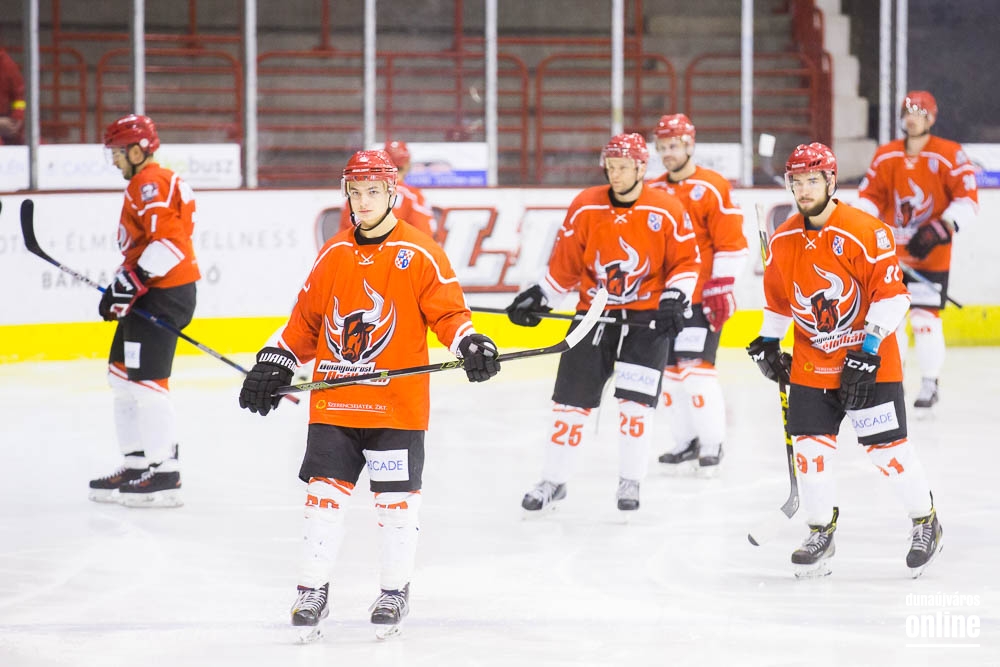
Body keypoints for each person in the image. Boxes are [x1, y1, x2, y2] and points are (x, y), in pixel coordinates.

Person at [239, 149, 500, 640]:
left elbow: (449, 314)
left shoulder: (420, 251)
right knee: (322, 499)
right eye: (355, 193)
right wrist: (274, 361)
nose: (363, 202)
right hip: (335, 402)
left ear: (392, 192)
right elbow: (305, 322)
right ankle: (312, 590)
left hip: (395, 407)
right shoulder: (334, 252)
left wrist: (469, 343)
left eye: (373, 192)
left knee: (395, 505)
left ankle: (394, 591)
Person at [747, 142, 943, 578]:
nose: (803, 189)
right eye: (796, 181)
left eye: (812, 180)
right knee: (810, 453)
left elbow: (893, 297)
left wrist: (868, 349)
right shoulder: (783, 239)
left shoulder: (865, 230)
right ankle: (821, 532)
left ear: (831, 181)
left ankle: (926, 521)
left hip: (868, 362)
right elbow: (778, 302)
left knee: (888, 453)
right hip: (812, 364)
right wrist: (767, 341)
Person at [507, 133, 701, 513]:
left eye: (623, 167)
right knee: (569, 406)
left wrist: (675, 297)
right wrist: (541, 296)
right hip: (593, 316)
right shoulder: (586, 205)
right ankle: (553, 481)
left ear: (641, 168)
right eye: (610, 167)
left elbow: (685, 262)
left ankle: (630, 480)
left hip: (646, 320)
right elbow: (565, 265)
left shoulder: (666, 208)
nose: (615, 174)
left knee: (634, 407)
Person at [87, 114, 200, 508]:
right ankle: (137, 463)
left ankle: (165, 471)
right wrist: (124, 284)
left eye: (119, 153)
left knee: (148, 385)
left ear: (138, 151)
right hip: (149, 291)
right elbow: (148, 245)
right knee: (121, 377)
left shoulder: (149, 182)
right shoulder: (148, 181)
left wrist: (129, 284)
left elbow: (170, 244)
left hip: (163, 293)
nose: (115, 160)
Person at [855, 91, 979, 410]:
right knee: (890, 320)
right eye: (908, 113)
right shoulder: (886, 155)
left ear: (931, 118)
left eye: (919, 113)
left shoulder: (950, 154)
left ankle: (929, 381)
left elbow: (967, 200)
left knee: (925, 320)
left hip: (930, 256)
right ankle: (893, 378)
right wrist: (863, 224)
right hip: (890, 257)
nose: (912, 119)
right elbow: (870, 197)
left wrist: (940, 228)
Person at [646, 114, 749, 473]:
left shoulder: (713, 186)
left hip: (701, 298)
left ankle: (712, 442)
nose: (667, 153)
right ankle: (686, 441)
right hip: (667, 301)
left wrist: (721, 286)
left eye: (673, 146)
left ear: (689, 145)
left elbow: (732, 242)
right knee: (671, 376)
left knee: (696, 373)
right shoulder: (653, 190)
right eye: (661, 147)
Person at [338, 139, 436, 237]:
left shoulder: (357, 195)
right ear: (406, 165)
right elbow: (424, 235)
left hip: (358, 246)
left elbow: (342, 236)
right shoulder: (413, 196)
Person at [0, 45, 26, 145]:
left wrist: (18, 117)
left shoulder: (5, 63)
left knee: (35, 142)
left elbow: (20, 96)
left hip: (7, 120)